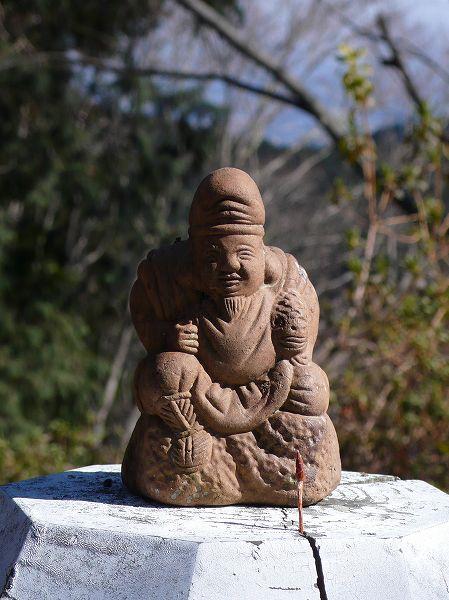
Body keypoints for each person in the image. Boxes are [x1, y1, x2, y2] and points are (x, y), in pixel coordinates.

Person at [122, 168, 340, 506]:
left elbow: (304, 332)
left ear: (262, 253)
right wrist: (168, 337)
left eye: (244, 255)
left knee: (312, 388)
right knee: (164, 372)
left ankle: (268, 461)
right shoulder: (165, 278)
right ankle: (191, 440)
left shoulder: (286, 280)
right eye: (212, 257)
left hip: (270, 389)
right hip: (198, 399)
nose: (229, 266)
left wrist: (296, 346)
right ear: (193, 256)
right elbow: (144, 311)